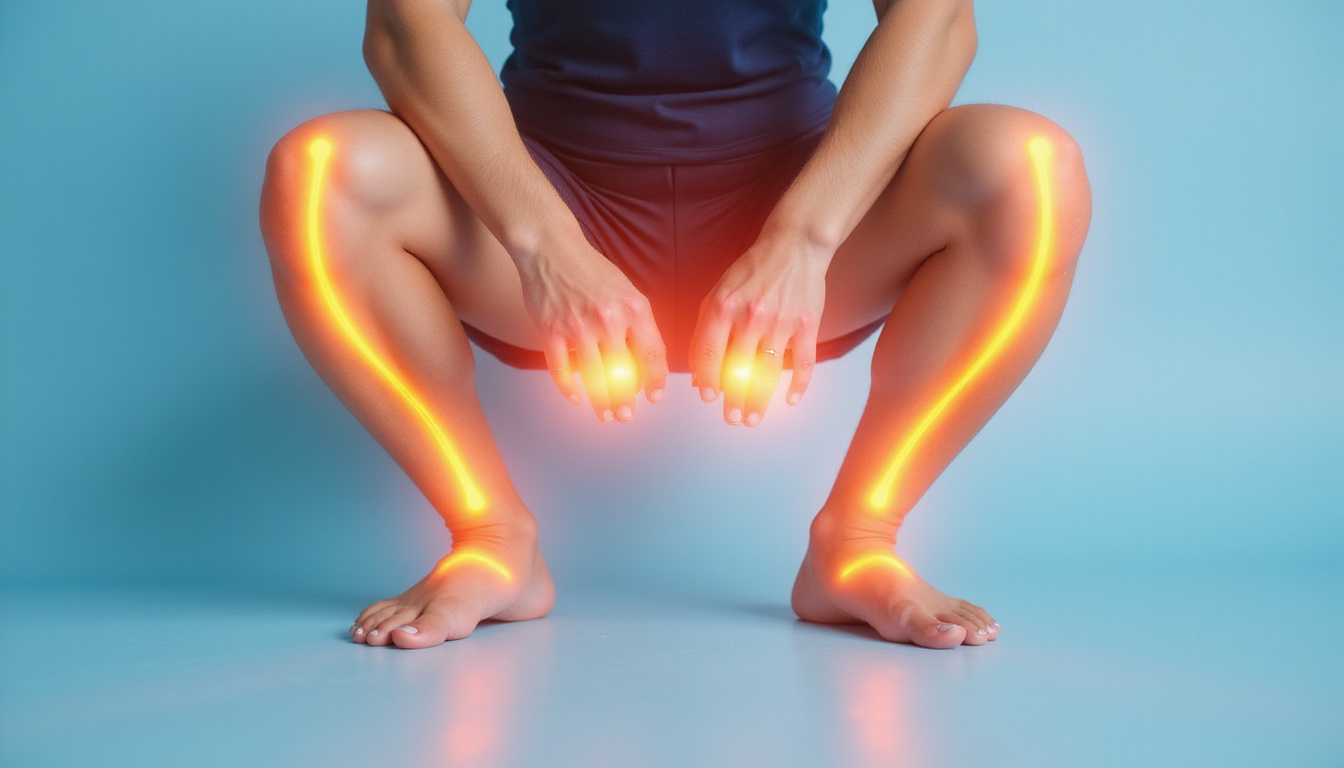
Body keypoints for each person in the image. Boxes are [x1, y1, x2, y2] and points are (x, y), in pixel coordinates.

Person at [259, 0, 1091, 650]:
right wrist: (543, 242)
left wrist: (804, 237)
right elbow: (407, 23)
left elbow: (937, 18)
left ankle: (858, 540)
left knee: (1029, 171)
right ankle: (490, 537)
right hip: (550, 209)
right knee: (320, 175)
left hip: (800, 206)